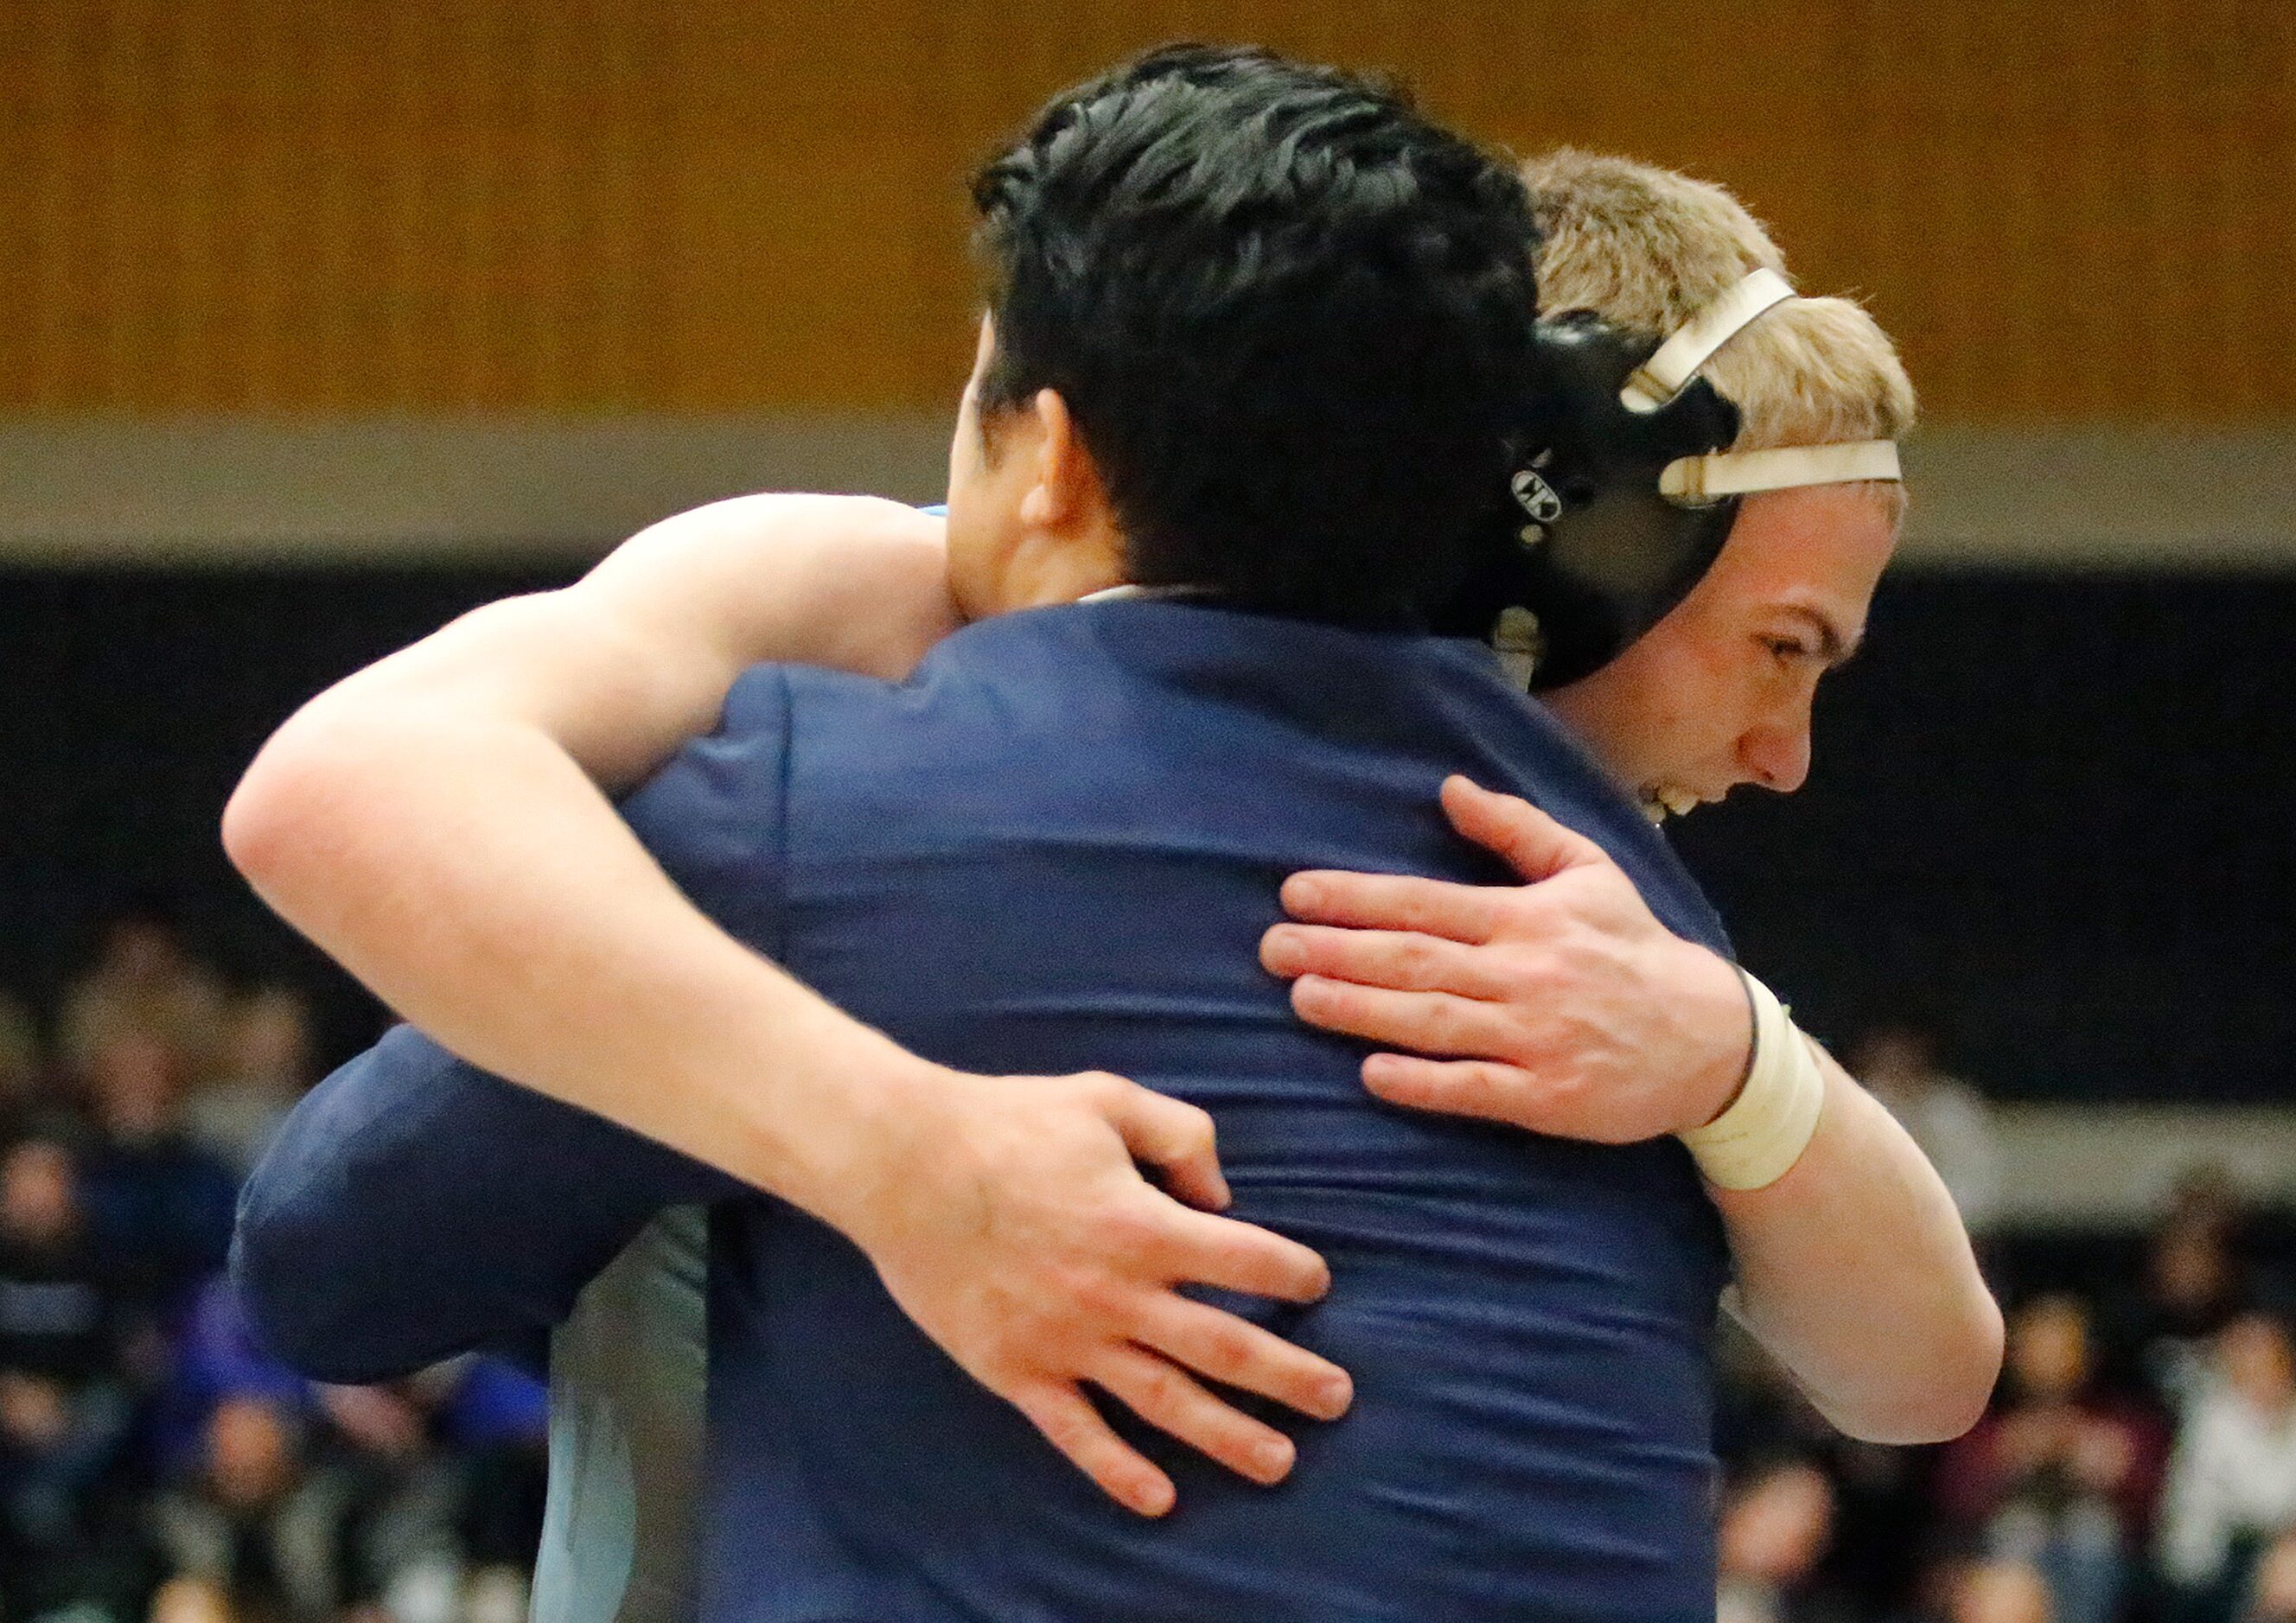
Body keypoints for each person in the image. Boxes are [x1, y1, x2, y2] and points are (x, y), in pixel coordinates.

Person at [228, 69, 1997, 1620]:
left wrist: (1725, 1053)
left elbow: (329, 1259)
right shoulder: (1606, 947)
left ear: (1052, 452)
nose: (1783, 757)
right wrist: (901, 1152)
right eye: (1781, 653)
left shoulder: (824, 785)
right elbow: (1924, 1372)